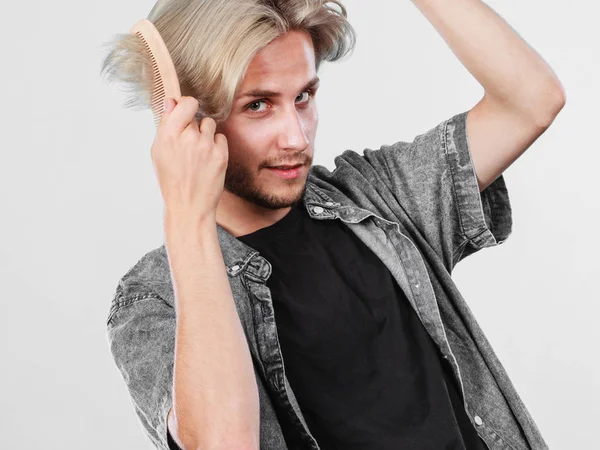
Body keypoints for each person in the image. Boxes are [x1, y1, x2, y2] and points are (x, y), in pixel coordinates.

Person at [101, 0, 565, 449]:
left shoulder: (377, 195)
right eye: (259, 105)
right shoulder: (152, 300)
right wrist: (186, 218)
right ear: (184, 120)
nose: (296, 137)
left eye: (303, 96)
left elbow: (531, 101)